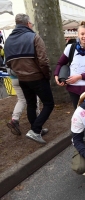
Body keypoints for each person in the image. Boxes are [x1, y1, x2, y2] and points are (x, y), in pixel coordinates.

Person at [4, 14, 54, 144]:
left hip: (21, 78)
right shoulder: (34, 37)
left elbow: (8, 63)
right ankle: (35, 130)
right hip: (37, 77)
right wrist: (46, 75)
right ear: (27, 24)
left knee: (31, 103)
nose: (31, 25)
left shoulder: (8, 40)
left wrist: (19, 72)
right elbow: (43, 60)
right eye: (30, 23)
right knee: (49, 104)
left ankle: (35, 129)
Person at [54, 21, 85, 109]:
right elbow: (60, 63)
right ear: (78, 35)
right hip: (73, 88)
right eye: (82, 34)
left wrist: (79, 77)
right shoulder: (70, 48)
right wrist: (56, 75)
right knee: (78, 112)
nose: (84, 37)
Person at [6, 69, 41, 135]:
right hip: (26, 77)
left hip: (14, 78)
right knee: (35, 97)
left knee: (21, 100)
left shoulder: (7, 57)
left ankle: (14, 119)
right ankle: (38, 116)